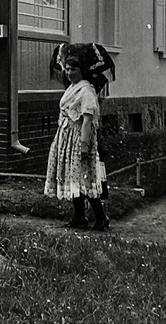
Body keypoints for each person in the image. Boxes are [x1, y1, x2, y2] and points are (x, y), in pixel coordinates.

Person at [44, 43, 113, 231]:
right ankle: (79, 217)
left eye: (73, 69)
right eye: (67, 69)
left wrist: (83, 146)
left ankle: (101, 217)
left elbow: (88, 121)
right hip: (66, 138)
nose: (69, 72)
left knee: (85, 178)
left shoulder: (86, 90)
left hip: (79, 138)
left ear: (81, 71)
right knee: (72, 177)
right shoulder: (72, 87)